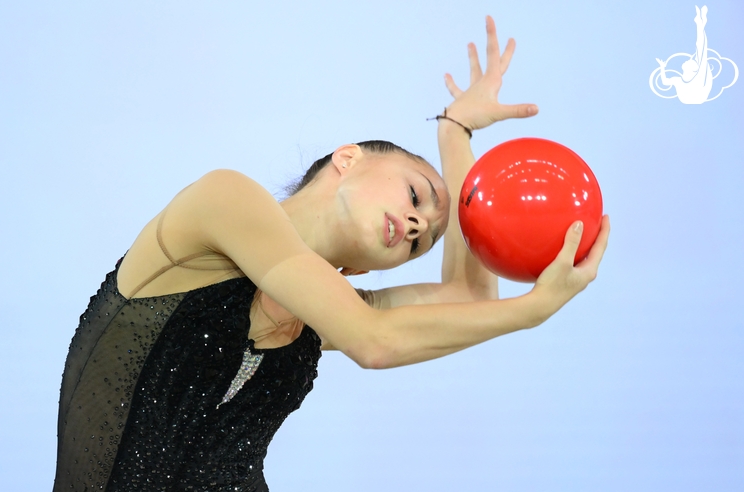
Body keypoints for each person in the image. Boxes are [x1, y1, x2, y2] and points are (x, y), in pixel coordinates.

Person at [53, 16, 610, 492]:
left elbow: (466, 296)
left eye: (422, 240)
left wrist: (455, 136)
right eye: (415, 194)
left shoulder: (329, 311)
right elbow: (374, 341)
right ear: (348, 158)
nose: (416, 222)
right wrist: (534, 309)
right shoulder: (224, 200)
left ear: (369, 269)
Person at [656, 5, 713, 104]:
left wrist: (662, 67)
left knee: (701, 51)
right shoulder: (681, 80)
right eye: (692, 61)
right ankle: (700, 23)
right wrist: (662, 67)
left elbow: (702, 50)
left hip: (696, 96)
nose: (689, 59)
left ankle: (700, 23)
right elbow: (665, 82)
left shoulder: (695, 77)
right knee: (701, 51)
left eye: (691, 61)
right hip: (693, 97)